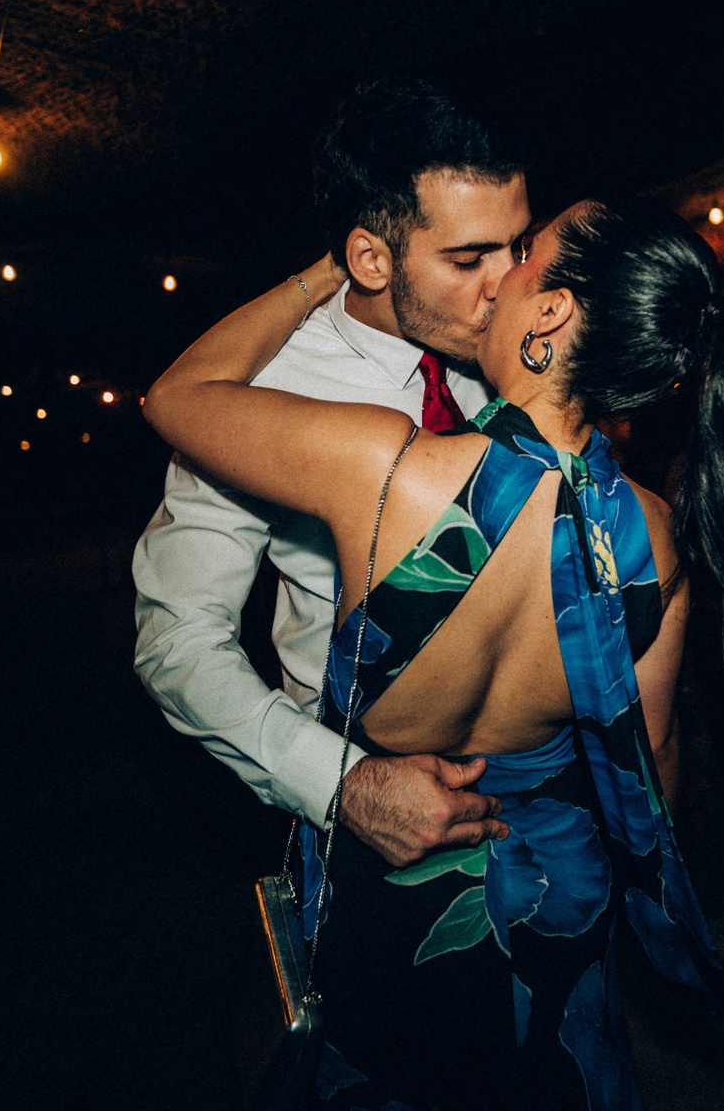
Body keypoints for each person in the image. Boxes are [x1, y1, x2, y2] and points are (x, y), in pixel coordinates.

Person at [144, 198, 724, 1110]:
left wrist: (327, 271)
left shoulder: (381, 468)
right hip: (557, 895)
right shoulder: (656, 537)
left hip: (391, 904)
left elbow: (176, 398)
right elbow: (654, 766)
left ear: (550, 314)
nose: (500, 276)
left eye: (528, 254)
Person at [134, 78, 528, 867]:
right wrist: (342, 783)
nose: (509, 283)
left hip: (542, 795)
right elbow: (178, 640)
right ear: (370, 258)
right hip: (376, 820)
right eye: (469, 259)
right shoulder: (258, 393)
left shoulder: (517, 349)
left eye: (517, 247)